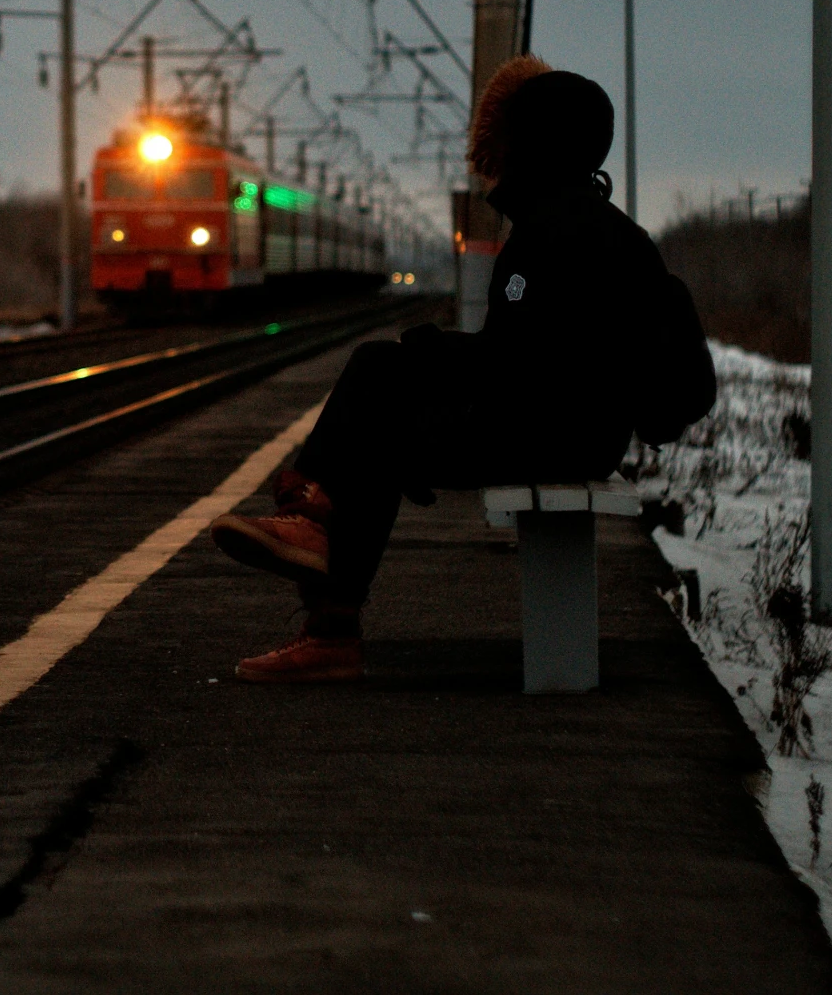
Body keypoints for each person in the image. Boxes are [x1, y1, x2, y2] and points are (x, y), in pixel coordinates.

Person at [209, 55, 717, 683]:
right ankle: (315, 538)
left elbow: (518, 364)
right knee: (383, 395)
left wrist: (430, 350)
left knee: (377, 392)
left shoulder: (548, 235)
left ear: (531, 142)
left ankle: (323, 584)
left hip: (550, 438)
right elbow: (541, 357)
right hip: (578, 434)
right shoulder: (611, 231)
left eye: (511, 137)